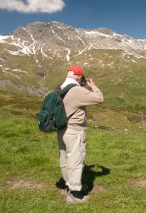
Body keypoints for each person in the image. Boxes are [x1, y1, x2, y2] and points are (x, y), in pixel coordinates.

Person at [57, 66, 104, 204]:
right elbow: (99, 98)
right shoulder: (76, 90)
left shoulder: (60, 87)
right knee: (76, 160)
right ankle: (74, 195)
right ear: (79, 77)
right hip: (75, 131)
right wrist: (93, 86)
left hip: (61, 130)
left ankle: (69, 185)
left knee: (65, 159)